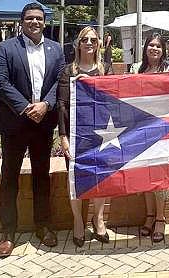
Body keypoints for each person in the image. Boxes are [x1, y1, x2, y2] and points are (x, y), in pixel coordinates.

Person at [0, 3, 65, 258]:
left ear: (44, 22)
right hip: (14, 123)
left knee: (41, 176)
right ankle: (8, 232)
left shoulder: (56, 49)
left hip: (43, 123)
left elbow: (60, 81)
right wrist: (25, 108)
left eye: (39, 18)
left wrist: (46, 105)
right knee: (9, 177)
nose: (35, 22)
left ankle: (42, 226)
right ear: (22, 22)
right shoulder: (7, 48)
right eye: (30, 18)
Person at [57, 26, 113, 247]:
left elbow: (113, 98)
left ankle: (98, 218)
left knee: (101, 178)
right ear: (78, 44)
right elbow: (61, 105)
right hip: (75, 133)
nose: (89, 43)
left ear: (98, 43)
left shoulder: (105, 69)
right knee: (75, 178)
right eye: (84, 39)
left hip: (102, 134)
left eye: (93, 39)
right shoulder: (67, 71)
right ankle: (78, 222)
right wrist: (63, 137)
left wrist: (93, 84)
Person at [131, 33, 169, 243]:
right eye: (151, 45)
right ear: (145, 48)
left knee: (160, 176)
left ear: (163, 50)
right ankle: (149, 216)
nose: (154, 49)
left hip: (162, 130)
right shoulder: (135, 69)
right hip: (140, 130)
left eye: (158, 46)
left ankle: (160, 218)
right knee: (145, 174)